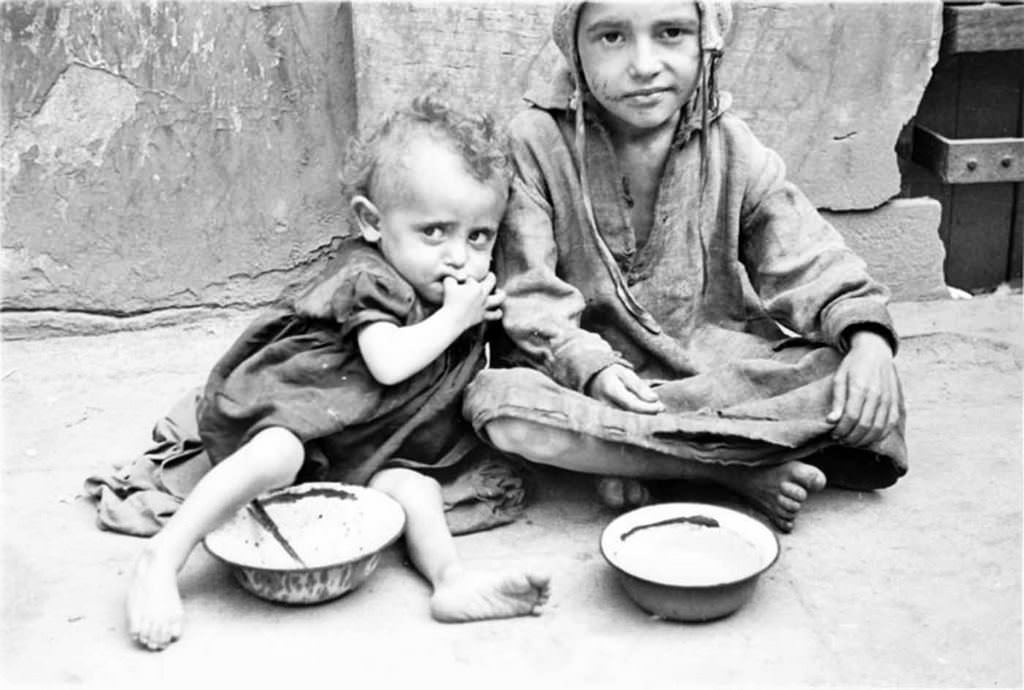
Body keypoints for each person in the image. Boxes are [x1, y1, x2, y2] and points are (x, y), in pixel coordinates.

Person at [463, 1, 907, 533]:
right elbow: (530, 296)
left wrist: (868, 343)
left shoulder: (730, 143)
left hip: (709, 374)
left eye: (671, 33)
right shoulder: (533, 141)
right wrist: (594, 367)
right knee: (502, 406)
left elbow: (805, 255)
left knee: (850, 380)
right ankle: (728, 471)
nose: (644, 63)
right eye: (611, 37)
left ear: (708, 41)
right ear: (572, 46)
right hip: (583, 382)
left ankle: (636, 461)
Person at [126, 96, 550, 652]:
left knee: (414, 488)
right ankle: (163, 556)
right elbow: (389, 361)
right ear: (372, 222)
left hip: (368, 445)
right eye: (434, 232)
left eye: (479, 236)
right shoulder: (368, 277)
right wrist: (453, 318)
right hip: (302, 417)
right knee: (279, 454)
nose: (459, 258)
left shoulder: (460, 293)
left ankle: (450, 580)